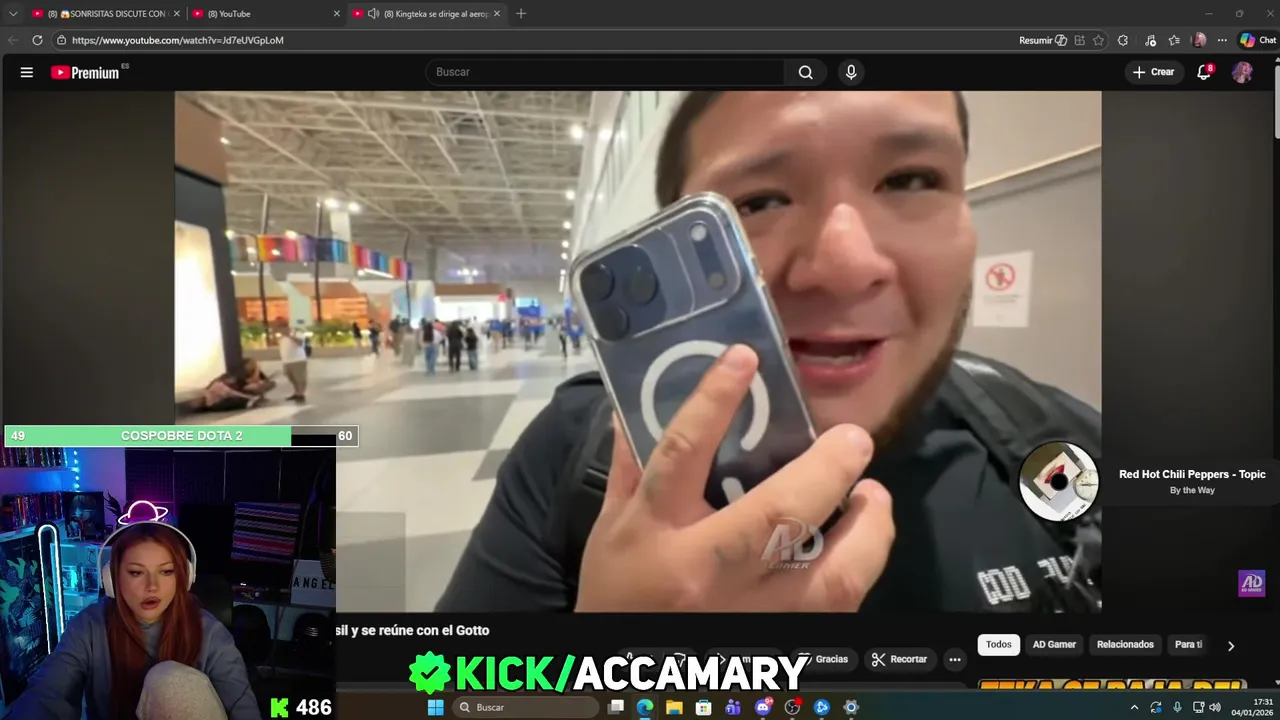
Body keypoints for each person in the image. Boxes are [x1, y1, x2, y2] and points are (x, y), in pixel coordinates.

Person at [435, 91, 1101, 614]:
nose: (845, 265)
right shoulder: (576, 460)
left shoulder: (1067, 450)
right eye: (758, 201)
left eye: (910, 180)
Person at [10, 522, 260, 720]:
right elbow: (46, 694)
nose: (152, 586)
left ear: (184, 577)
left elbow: (242, 707)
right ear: (112, 579)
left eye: (166, 571)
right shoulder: (89, 626)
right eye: (136, 573)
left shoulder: (210, 632)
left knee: (170, 681)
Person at [276, 320, 308, 403]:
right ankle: (296, 392)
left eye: (282, 327)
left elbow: (300, 343)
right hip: (286, 361)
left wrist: (289, 335)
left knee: (300, 378)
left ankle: (301, 394)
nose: (280, 330)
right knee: (292, 378)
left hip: (298, 360)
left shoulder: (296, 332)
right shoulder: (281, 336)